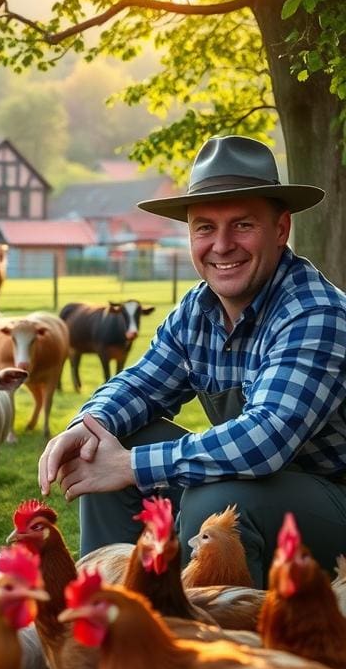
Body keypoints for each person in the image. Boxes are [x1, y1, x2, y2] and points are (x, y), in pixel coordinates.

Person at [38, 135, 346, 587]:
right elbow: (142, 383)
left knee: (216, 504)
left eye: (242, 225)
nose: (221, 245)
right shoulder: (198, 309)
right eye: (204, 227)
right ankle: (112, 625)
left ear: (280, 230)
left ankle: (222, 647)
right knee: (107, 441)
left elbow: (265, 440)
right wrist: (90, 422)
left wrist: (131, 465)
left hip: (334, 498)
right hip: (269, 486)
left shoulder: (314, 313)